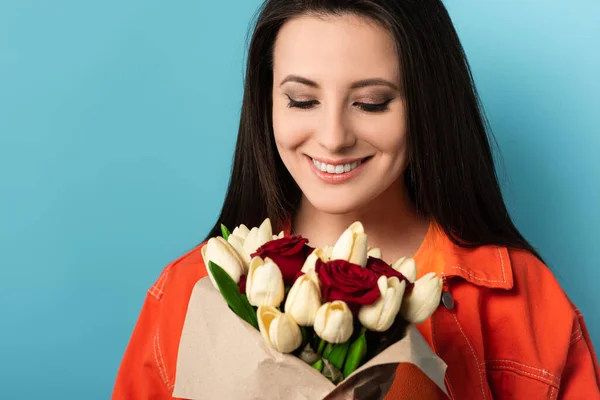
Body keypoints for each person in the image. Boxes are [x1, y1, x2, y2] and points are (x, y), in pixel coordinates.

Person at [112, 0, 600, 398]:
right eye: (302, 100)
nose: (333, 138)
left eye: (370, 103)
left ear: (427, 104)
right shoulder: (188, 291)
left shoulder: (521, 301)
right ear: (267, 104)